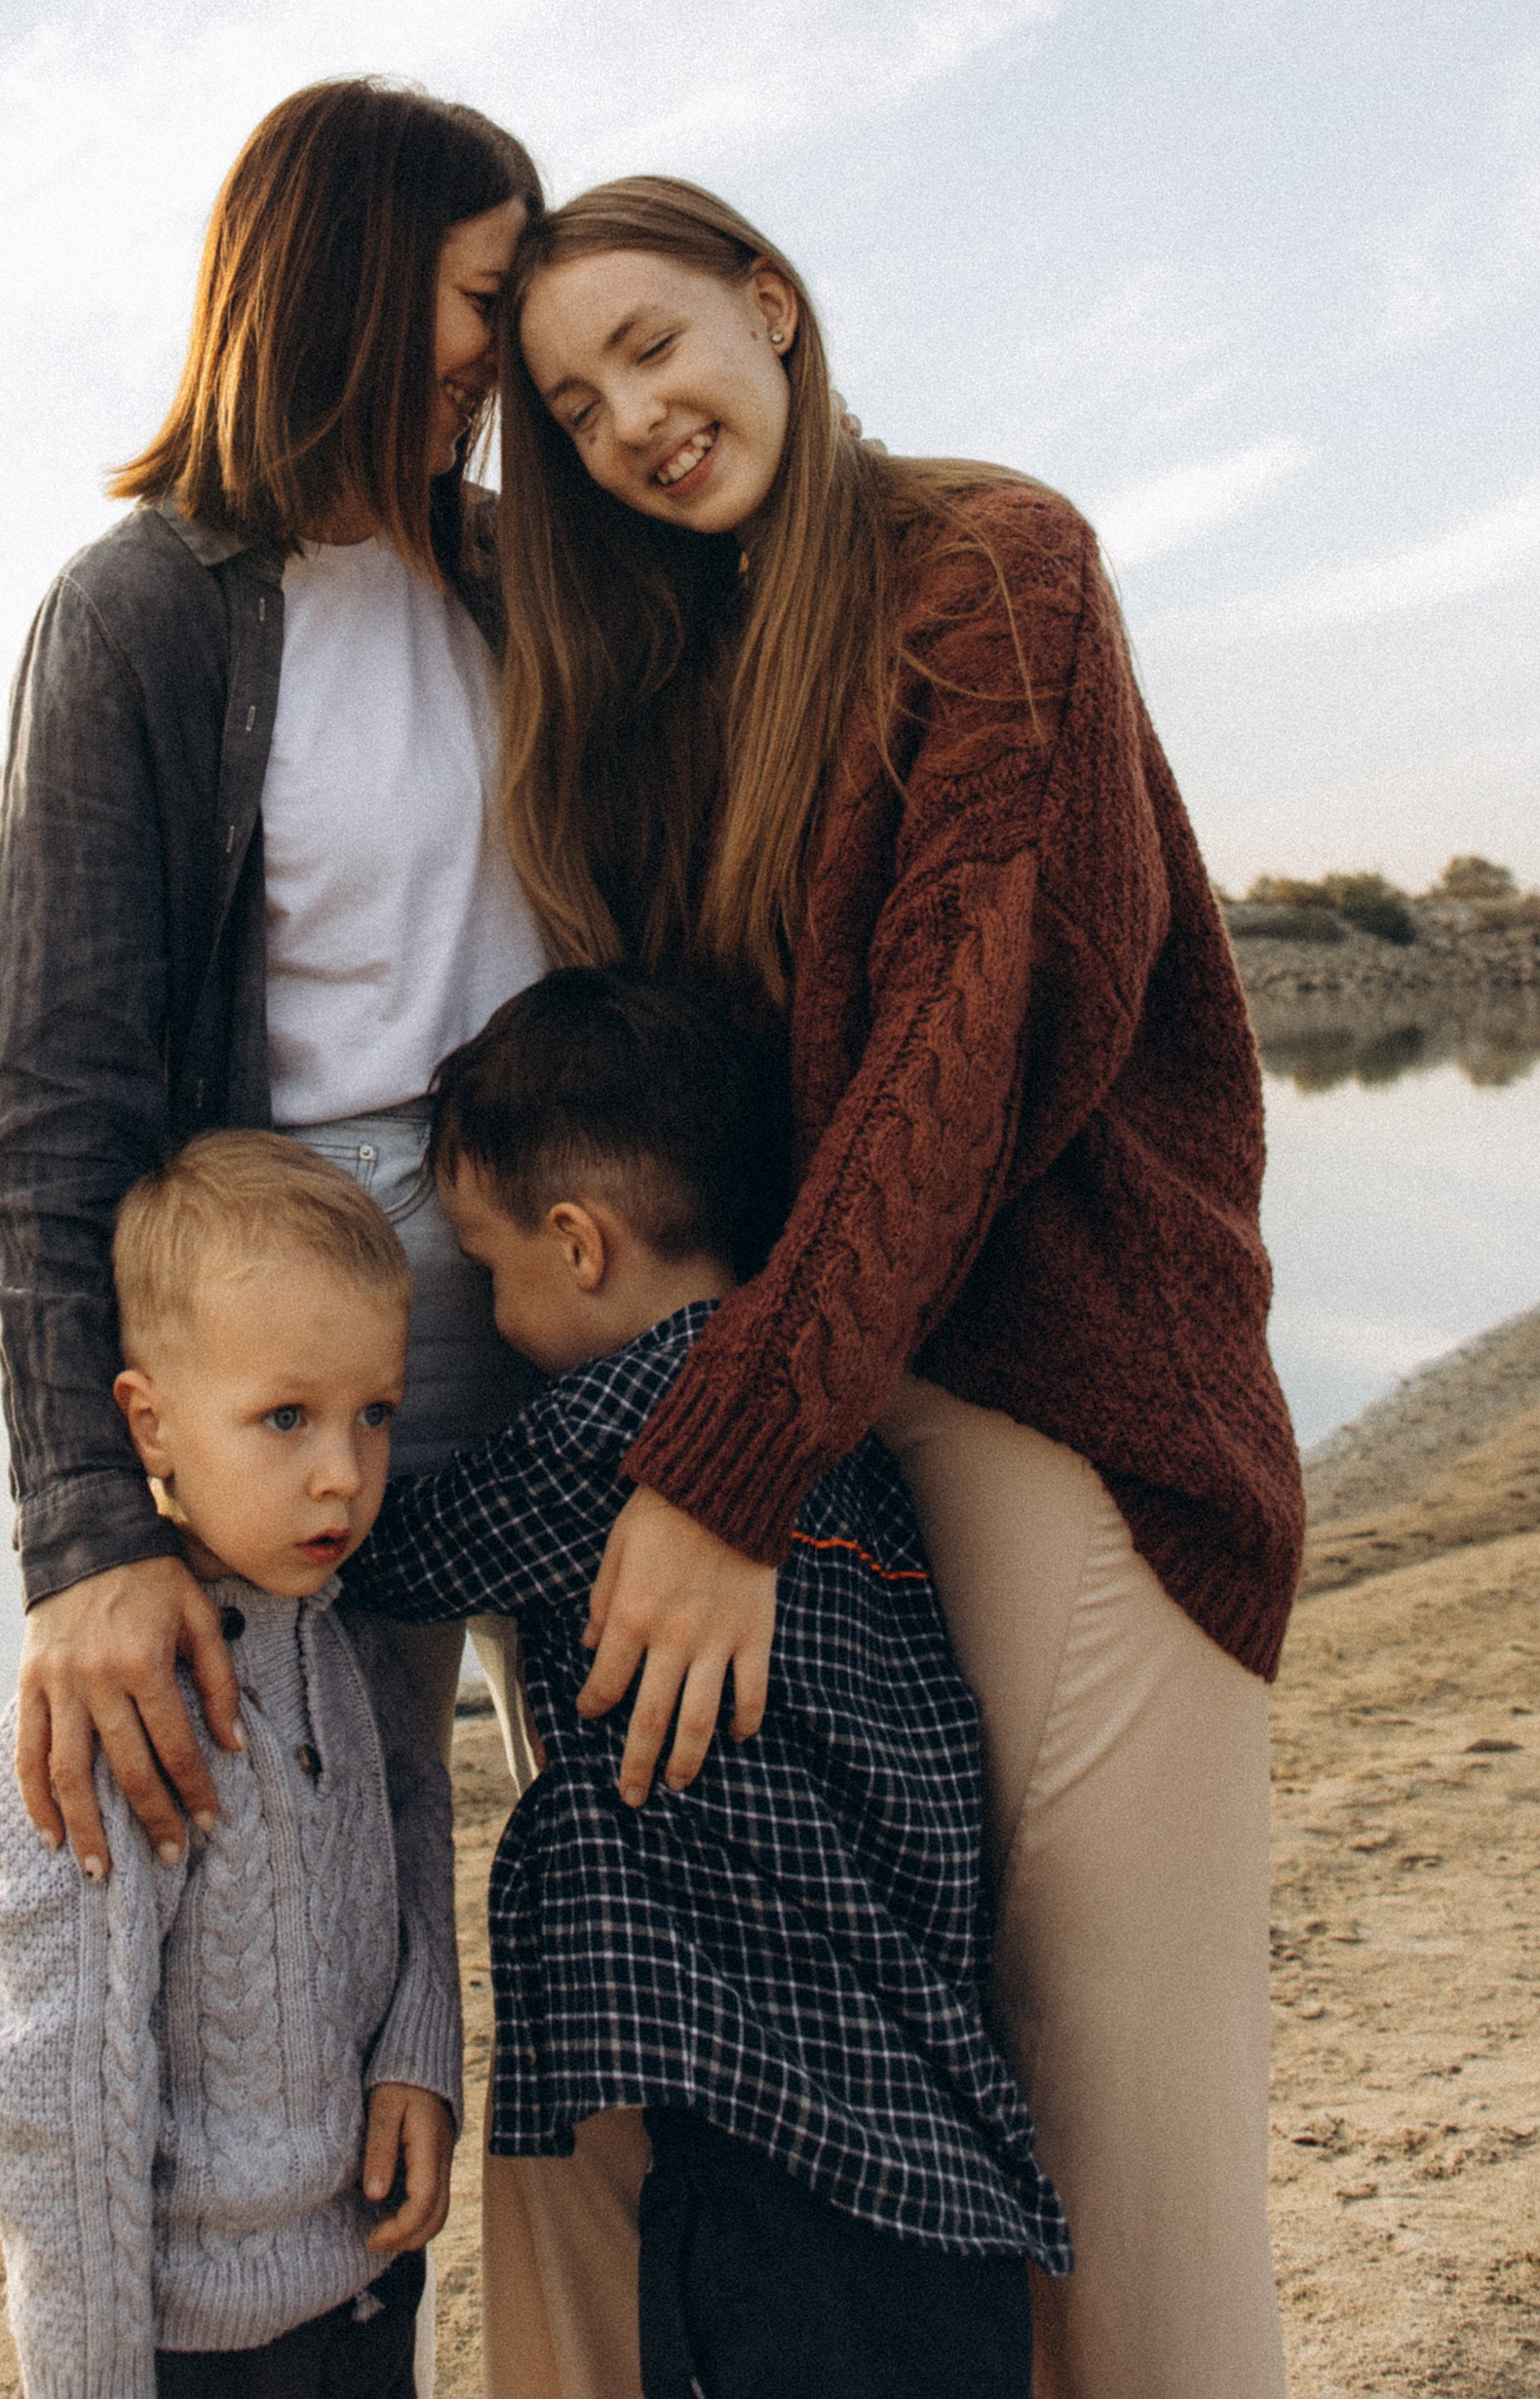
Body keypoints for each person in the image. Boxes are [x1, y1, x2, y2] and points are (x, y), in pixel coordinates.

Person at [491, 176, 1306, 2399]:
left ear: (771, 304)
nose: (631, 421)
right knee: (782, 2066)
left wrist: (721, 1469)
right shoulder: (675, 684)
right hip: (816, 1395)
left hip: (1063, 1379)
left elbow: (966, 1045)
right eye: (568, 405)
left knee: (1108, 2113)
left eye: (654, 346)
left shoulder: (985, 558)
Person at [0, 75, 547, 1882]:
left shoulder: (529, 579)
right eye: (480, 301)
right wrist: (82, 1533)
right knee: (316, 1910)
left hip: (581, 1292)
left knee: (645, 1858)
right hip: (304, 1347)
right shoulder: (143, 611)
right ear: (348, 283)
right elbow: (40, 1110)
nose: (504, 361)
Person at [344, 969, 1067, 2399]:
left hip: (774, 2139)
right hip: (931, 2144)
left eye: (489, 1270)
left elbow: (393, 1559)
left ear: (581, 1245)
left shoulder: (620, 1422)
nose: (485, 1318)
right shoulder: (833, 1440)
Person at [0, 1135, 461, 2399]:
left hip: (367, 2291)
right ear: (152, 1425)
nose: (341, 1472)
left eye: (374, 1414)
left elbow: (410, 1813)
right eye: (284, 1417)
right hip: (197, 2350)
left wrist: (418, 2048)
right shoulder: (111, 1725)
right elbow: (57, 2117)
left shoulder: (342, 1636)